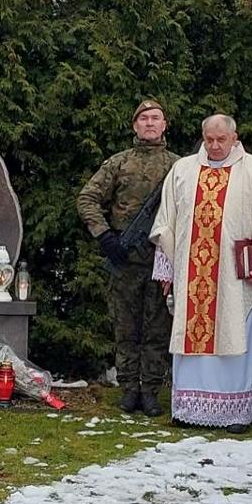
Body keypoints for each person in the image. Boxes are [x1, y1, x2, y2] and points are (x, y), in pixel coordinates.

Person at [148, 113, 252, 434]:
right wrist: (165, 267)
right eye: (209, 139)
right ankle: (188, 409)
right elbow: (167, 221)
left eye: (221, 139)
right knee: (190, 338)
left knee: (234, 335)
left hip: (236, 277)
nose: (215, 145)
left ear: (234, 138)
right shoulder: (183, 169)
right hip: (191, 275)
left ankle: (234, 413)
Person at [77, 99, 178, 417]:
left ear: (164, 125)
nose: (150, 123)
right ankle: (129, 389)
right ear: (135, 125)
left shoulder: (180, 167)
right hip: (125, 258)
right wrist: (105, 236)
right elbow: (87, 198)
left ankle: (150, 392)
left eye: (155, 118)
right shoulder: (119, 163)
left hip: (163, 259)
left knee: (157, 330)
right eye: (144, 118)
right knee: (126, 329)